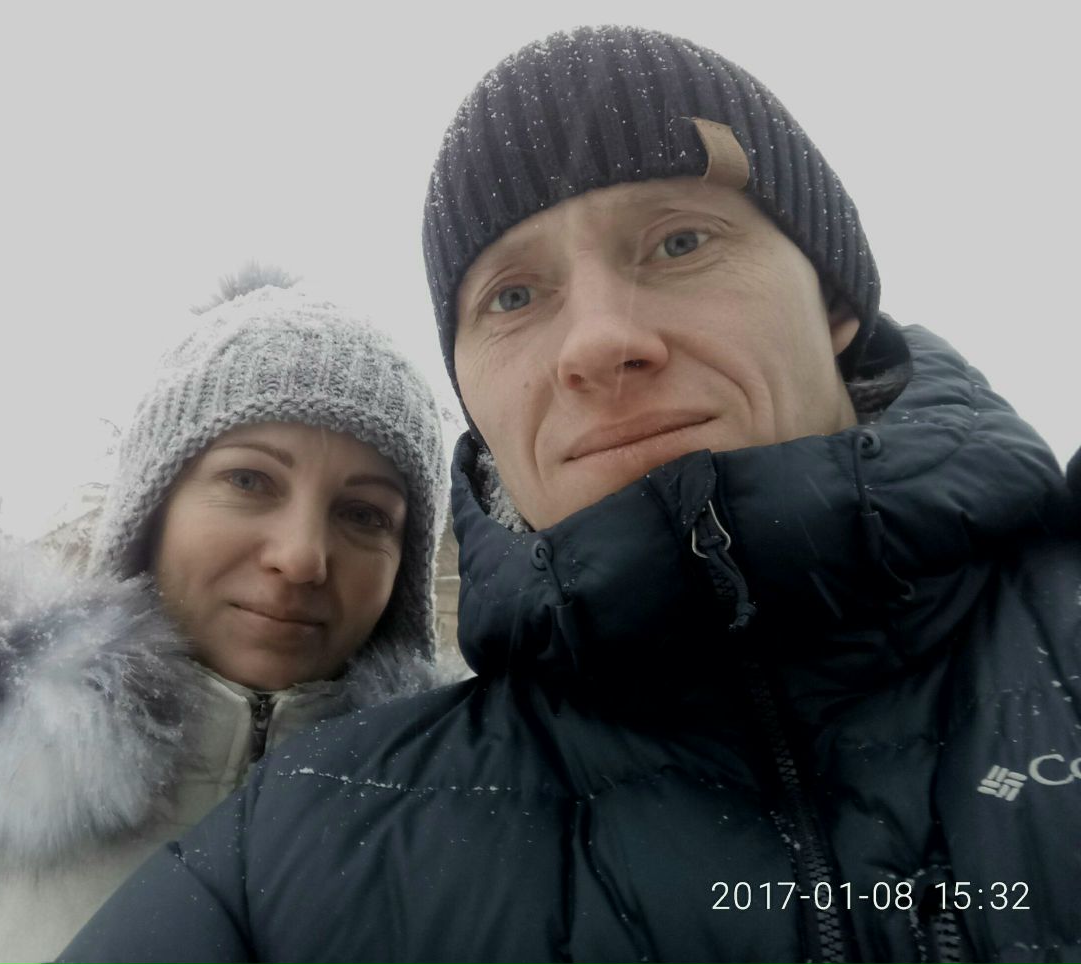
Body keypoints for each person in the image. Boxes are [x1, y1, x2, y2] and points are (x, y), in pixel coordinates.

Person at [60, 27, 1081, 963]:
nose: (595, 342)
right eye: (512, 295)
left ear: (837, 301)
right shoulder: (288, 858)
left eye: (679, 242)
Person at [0, 275, 448, 964]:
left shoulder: (466, 862)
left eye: (364, 514)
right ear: (151, 512)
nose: (300, 557)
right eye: (249, 480)